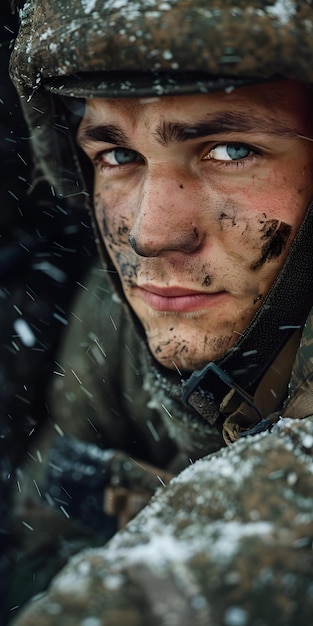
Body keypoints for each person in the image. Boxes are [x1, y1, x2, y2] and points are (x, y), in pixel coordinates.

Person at [7, 0, 313, 624]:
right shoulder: (114, 311)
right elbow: (38, 535)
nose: (150, 234)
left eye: (230, 150)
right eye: (118, 156)